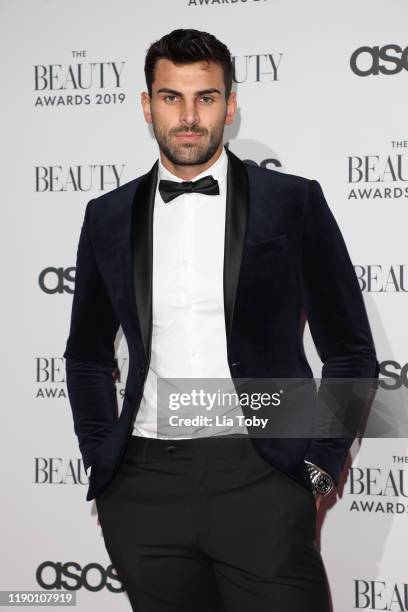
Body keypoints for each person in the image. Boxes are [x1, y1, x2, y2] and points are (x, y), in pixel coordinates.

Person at [63, 28, 379, 612]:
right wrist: (101, 456)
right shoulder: (105, 216)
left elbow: (351, 352)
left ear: (230, 105)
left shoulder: (293, 201)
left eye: (205, 97)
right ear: (146, 104)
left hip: (260, 474)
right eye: (171, 97)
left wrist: (319, 468)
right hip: (143, 485)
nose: (188, 116)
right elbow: (85, 354)